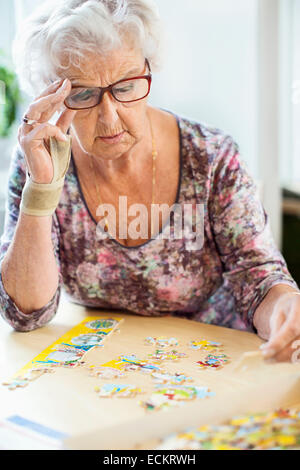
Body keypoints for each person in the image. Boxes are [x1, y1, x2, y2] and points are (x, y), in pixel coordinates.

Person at [0, 0, 299, 364]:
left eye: (125, 87)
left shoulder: (211, 155)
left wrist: (286, 310)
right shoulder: (40, 159)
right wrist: (43, 189)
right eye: (82, 94)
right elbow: (26, 313)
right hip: (100, 366)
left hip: (212, 363)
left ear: (149, 71)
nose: (109, 117)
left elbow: (259, 278)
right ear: (49, 97)